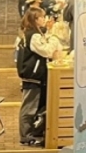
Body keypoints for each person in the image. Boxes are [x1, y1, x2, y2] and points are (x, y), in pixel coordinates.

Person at [17, 7, 64, 145]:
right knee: (29, 106)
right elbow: (47, 51)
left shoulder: (34, 33)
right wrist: (53, 38)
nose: (44, 19)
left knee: (37, 105)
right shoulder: (33, 36)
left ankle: (35, 131)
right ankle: (26, 135)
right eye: (42, 17)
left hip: (35, 74)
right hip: (33, 75)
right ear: (35, 19)